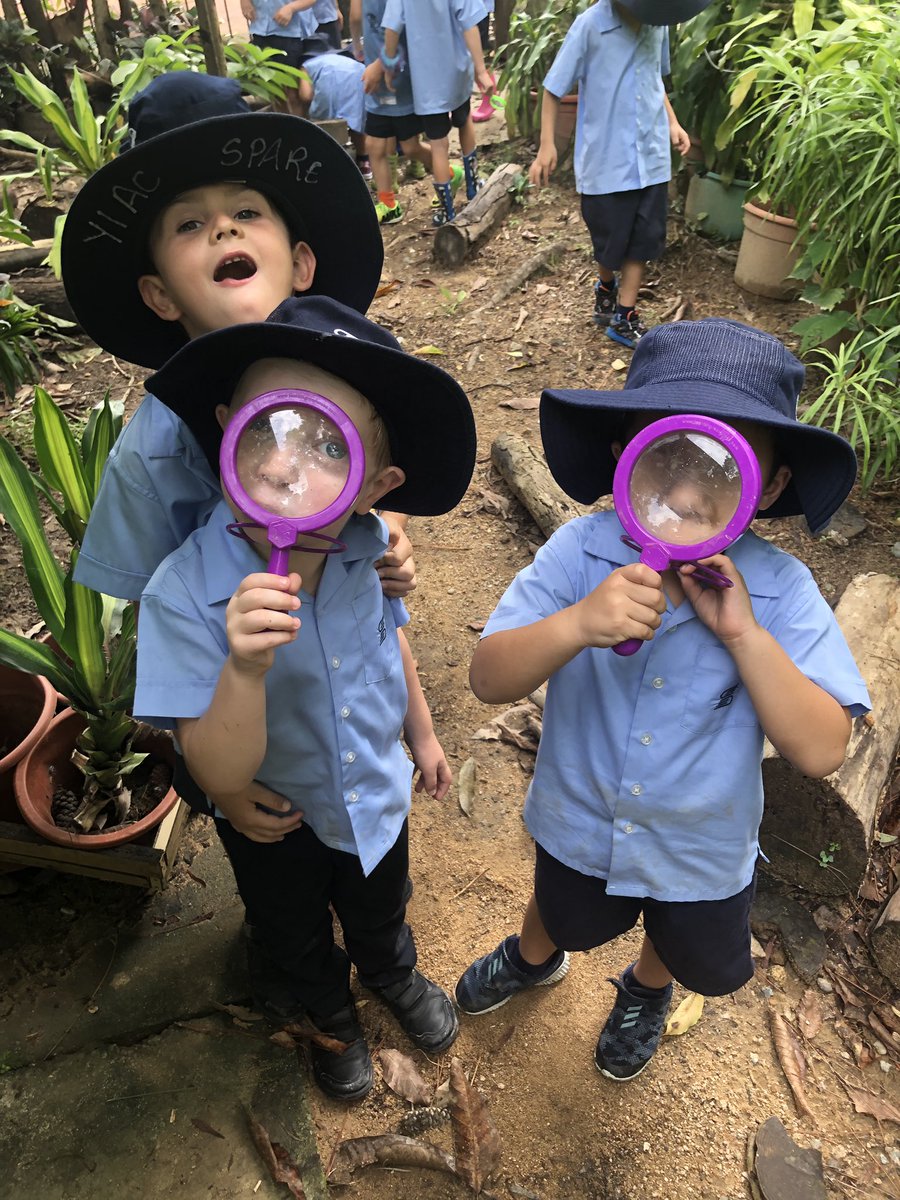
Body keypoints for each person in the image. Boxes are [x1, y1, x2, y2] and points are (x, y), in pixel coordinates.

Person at [455, 318, 870, 1084]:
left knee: (683, 940)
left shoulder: (781, 591)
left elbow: (821, 750)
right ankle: (533, 956)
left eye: (720, 466)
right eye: (666, 455)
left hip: (700, 852)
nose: (683, 491)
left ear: (771, 483)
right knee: (563, 907)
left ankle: (646, 987)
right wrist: (578, 623)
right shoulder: (580, 552)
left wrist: (745, 635)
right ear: (625, 454)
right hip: (579, 820)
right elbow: (488, 677)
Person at [133, 295, 478, 1100]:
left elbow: (391, 646)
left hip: (373, 797)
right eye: (267, 430)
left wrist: (422, 738)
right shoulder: (184, 592)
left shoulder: (369, 552)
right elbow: (210, 764)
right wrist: (243, 670)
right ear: (225, 432)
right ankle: (331, 1014)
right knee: (290, 931)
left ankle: (391, 972)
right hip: (273, 817)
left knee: (381, 904)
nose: (288, 464)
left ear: (375, 485)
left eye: (330, 446)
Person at [61, 72, 415, 833]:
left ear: (302, 263)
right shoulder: (150, 454)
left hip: (335, 679)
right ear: (160, 295)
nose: (223, 231)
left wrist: (389, 543)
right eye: (189, 225)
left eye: (246, 212)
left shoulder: (353, 377)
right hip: (240, 704)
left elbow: (370, 488)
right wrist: (216, 784)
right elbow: (156, 624)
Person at [527, 0, 711, 349]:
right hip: (606, 159)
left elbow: (655, 75)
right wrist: (547, 145)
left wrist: (673, 123)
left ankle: (625, 315)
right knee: (609, 239)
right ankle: (606, 286)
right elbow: (553, 89)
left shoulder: (660, 20)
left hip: (651, 154)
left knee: (644, 236)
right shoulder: (591, 25)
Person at [371, 0, 494, 226]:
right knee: (465, 121)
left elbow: (391, 28)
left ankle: (447, 211)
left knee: (438, 145)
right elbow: (470, 24)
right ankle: (473, 186)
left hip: (426, 81)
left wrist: (389, 66)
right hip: (457, 71)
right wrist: (481, 70)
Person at [353, 0, 433, 225]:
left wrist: (379, 66)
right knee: (374, 145)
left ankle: (449, 172)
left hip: (398, 80)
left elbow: (406, 31)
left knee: (410, 146)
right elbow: (357, 16)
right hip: (376, 85)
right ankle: (388, 204)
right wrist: (358, 45)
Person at [241, 0, 319, 116]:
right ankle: (284, 129)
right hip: (260, 28)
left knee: (292, 91)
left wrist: (291, 8)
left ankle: (299, 128)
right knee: (274, 91)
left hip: (289, 33)